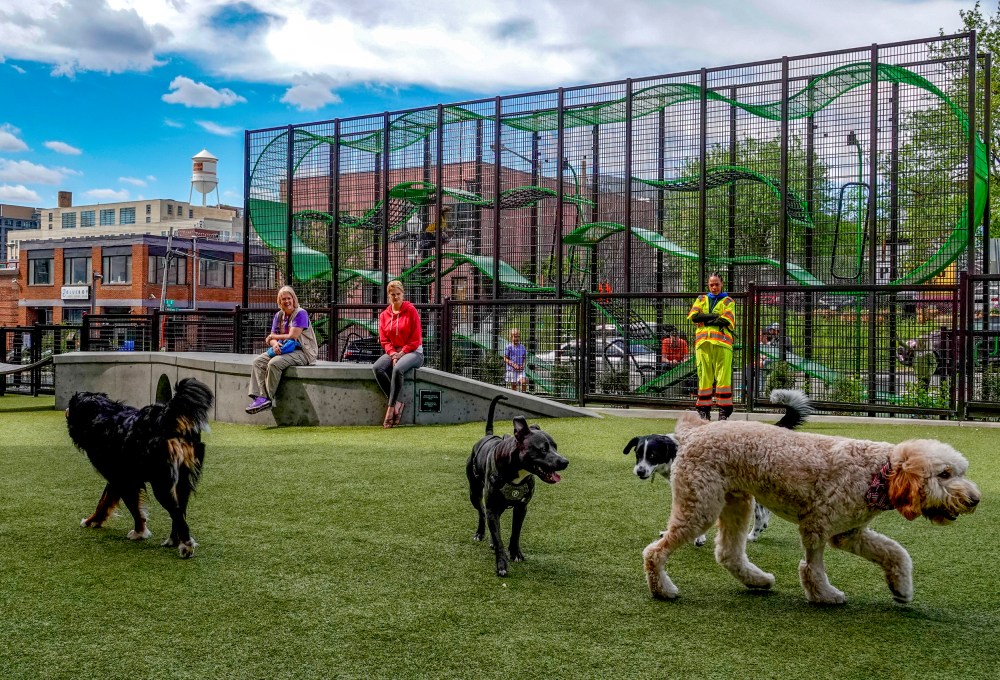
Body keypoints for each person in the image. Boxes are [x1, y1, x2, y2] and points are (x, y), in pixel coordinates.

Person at [246, 285, 319, 414]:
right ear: (280, 302)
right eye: (283, 299)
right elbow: (271, 338)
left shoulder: (301, 313)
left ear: (294, 299)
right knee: (258, 362)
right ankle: (260, 397)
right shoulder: (279, 315)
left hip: (303, 352)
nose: (287, 301)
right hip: (284, 349)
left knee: (274, 363)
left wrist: (272, 337)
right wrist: (274, 343)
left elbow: (293, 335)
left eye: (289, 298)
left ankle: (268, 398)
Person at [373, 280, 424, 428]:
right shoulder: (384, 315)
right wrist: (393, 353)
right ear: (388, 296)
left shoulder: (411, 310)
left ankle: (390, 410)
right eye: (392, 295)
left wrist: (401, 354)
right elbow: (384, 339)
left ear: (403, 294)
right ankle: (397, 404)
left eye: (398, 294)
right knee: (378, 368)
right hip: (393, 351)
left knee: (397, 369)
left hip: (413, 352)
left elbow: (416, 339)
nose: (396, 297)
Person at [687, 272, 736, 421]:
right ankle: (704, 411)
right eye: (711, 284)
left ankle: (723, 412)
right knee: (704, 378)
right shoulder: (701, 298)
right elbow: (694, 317)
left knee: (723, 378)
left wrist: (705, 318)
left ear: (722, 284)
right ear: (708, 285)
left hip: (722, 344)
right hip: (703, 344)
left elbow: (726, 321)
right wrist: (715, 316)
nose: (714, 287)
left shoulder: (728, 301)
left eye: (717, 284)